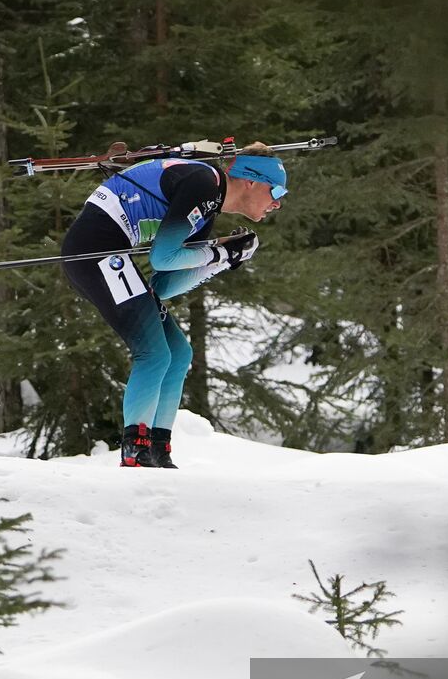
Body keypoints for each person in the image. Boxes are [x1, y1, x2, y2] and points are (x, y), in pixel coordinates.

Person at [60, 143, 288, 468]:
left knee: (178, 353)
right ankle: (135, 453)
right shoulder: (203, 184)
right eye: (276, 190)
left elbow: (165, 284)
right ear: (251, 181)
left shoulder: (208, 208)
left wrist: (224, 259)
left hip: (111, 254)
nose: (277, 202)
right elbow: (163, 257)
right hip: (95, 251)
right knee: (154, 353)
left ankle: (157, 450)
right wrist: (221, 253)